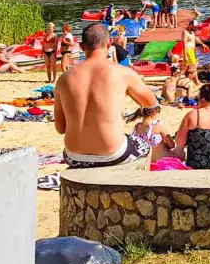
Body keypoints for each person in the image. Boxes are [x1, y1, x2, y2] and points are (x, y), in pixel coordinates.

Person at [54, 23, 157, 169]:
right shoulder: (122, 72)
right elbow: (151, 102)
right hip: (113, 153)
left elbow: (60, 128)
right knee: (145, 146)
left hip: (74, 155)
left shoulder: (64, 78)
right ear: (109, 44)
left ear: (83, 47)